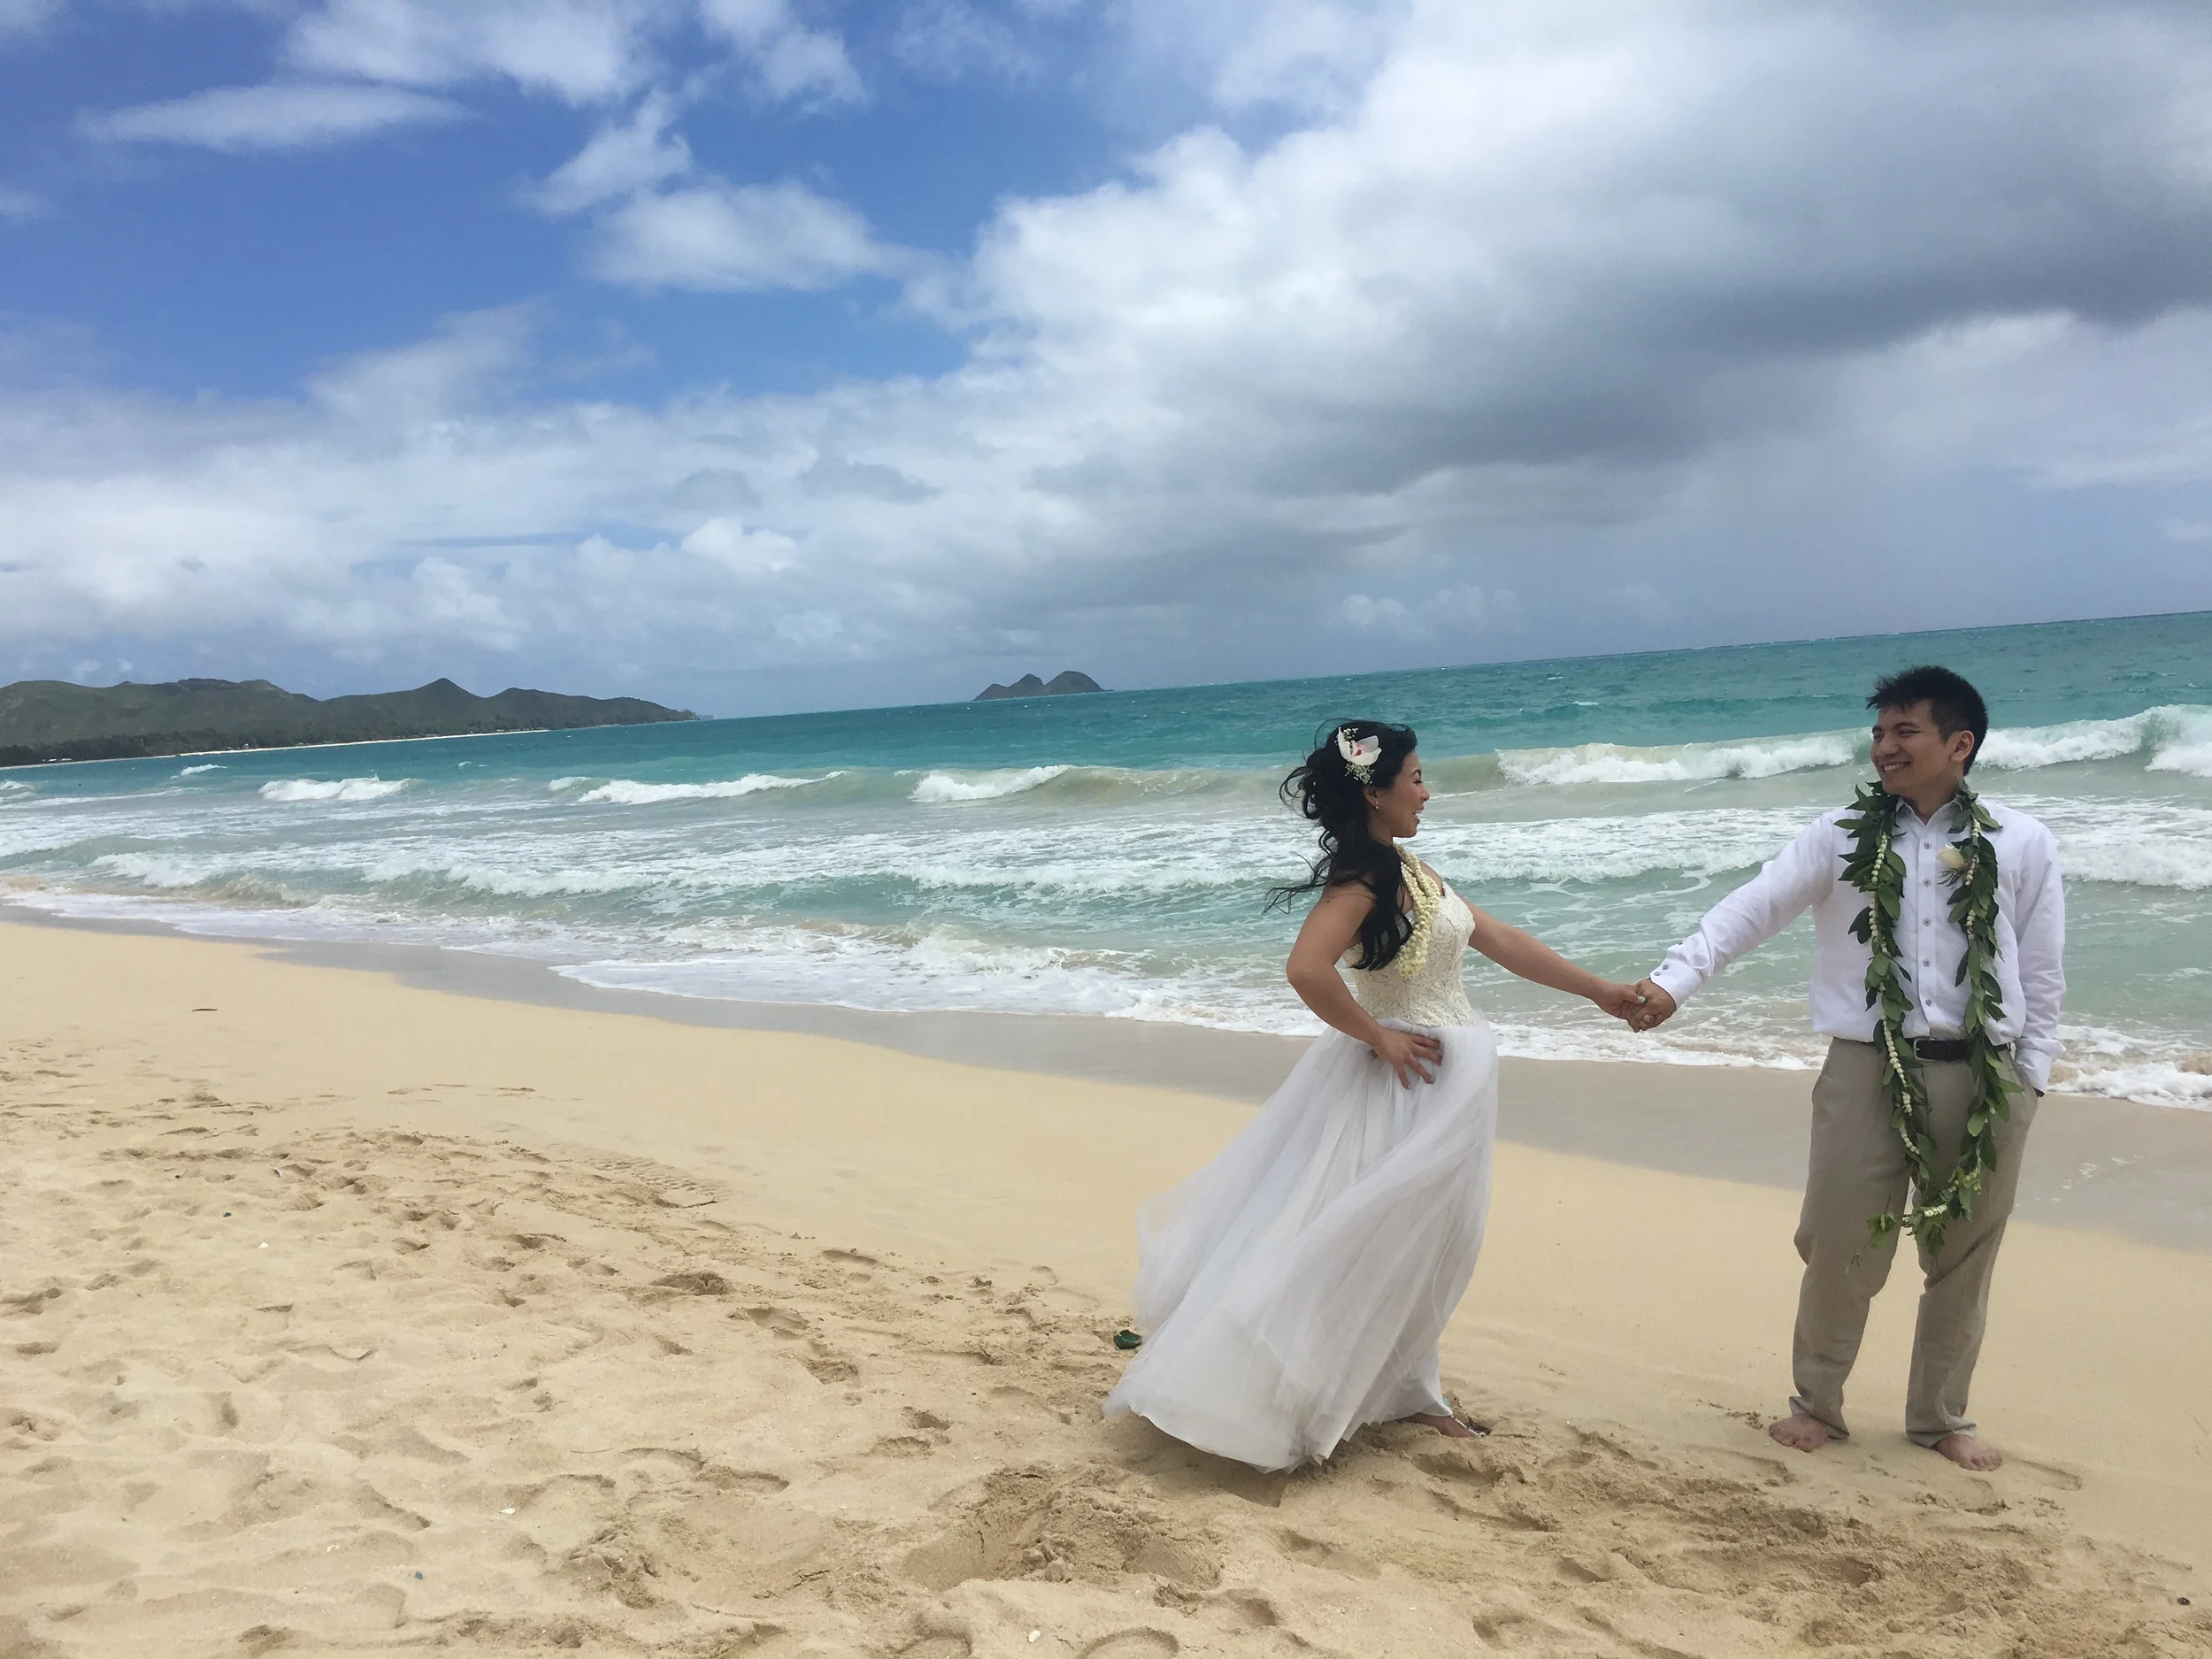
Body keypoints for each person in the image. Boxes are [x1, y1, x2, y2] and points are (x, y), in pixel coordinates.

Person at [1103, 719, 1647, 1470]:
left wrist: (1601, 993)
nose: (1427, 790)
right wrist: (1377, 1035)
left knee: (1427, 1244)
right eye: (1416, 777)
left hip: (1441, 1082)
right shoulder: (1365, 881)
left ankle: (1411, 1386)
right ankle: (1321, 1393)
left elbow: (1500, 938)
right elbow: (1307, 968)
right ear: (1376, 790)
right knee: (1370, 1243)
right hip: (1400, 1084)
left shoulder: (1410, 868)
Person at [1629, 666, 2064, 1471]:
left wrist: (2030, 1076)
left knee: (1965, 1253)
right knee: (1836, 1237)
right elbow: (1754, 906)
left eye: (1905, 731)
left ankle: (1939, 1417)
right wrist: (1674, 979)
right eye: (1879, 732)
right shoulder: (1837, 835)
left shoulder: (2021, 840)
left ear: (1958, 745)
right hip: (1865, 1064)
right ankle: (1815, 1402)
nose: (1884, 747)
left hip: (1984, 1074)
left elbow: (2040, 969)